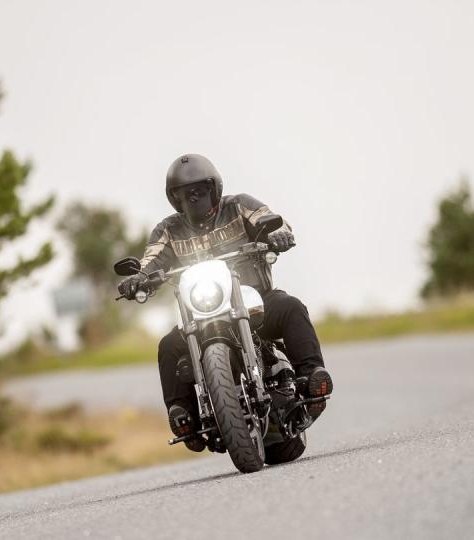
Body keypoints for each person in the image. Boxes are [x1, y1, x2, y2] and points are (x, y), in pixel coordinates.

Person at [118, 154, 333, 452]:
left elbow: (270, 221)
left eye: (199, 190)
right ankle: (184, 414)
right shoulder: (168, 229)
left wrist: (279, 234)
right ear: (174, 198)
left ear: (214, 188)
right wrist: (139, 277)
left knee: (292, 307)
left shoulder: (239, 204)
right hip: (201, 313)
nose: (194, 197)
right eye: (185, 193)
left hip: (255, 301)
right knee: (169, 345)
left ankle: (312, 376)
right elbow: (152, 259)